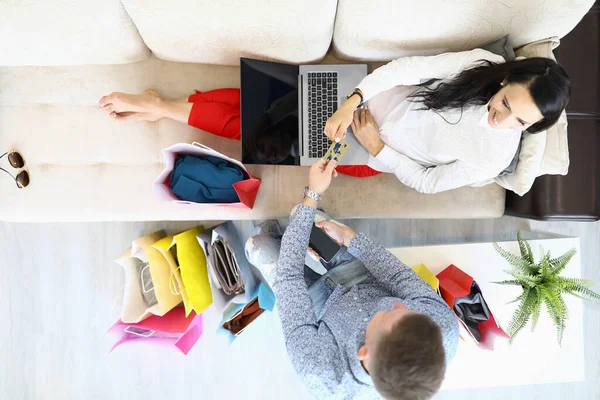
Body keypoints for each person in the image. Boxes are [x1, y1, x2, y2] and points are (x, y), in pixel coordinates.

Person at [244, 158, 459, 400]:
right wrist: (350, 238)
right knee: (301, 215)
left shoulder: (321, 373)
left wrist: (313, 193)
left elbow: (288, 278)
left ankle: (272, 234)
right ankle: (294, 228)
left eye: (389, 313)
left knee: (257, 246)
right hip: (362, 279)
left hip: (318, 309)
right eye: (409, 311)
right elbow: (398, 277)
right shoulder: (442, 328)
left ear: (364, 353)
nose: (399, 303)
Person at [324, 49, 571, 194]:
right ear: (505, 80)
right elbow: (407, 69)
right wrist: (353, 100)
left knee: (303, 148)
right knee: (305, 95)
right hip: (370, 97)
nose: (502, 121)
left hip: (369, 154)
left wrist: (376, 146)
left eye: (521, 122)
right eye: (506, 103)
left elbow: (428, 182)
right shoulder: (481, 65)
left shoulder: (494, 158)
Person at [97, 88, 376, 176]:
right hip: (359, 100)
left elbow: (379, 168)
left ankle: (161, 106)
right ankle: (161, 106)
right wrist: (350, 104)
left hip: (368, 154)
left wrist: (370, 148)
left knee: (253, 123)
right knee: (257, 109)